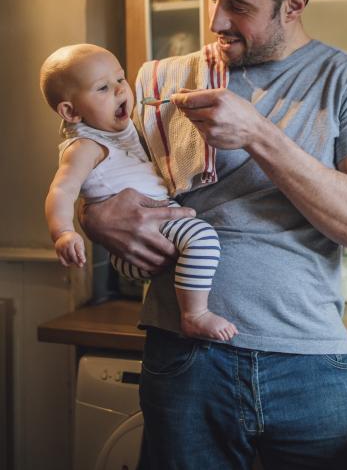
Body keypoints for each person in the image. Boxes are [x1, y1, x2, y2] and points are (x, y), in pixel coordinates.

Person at [80, 0, 347, 470]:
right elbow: (92, 166)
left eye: (240, 7)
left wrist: (258, 134)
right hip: (184, 357)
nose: (216, 21)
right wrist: (93, 215)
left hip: (308, 358)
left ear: (294, 3)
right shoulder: (163, 81)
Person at [40, 44, 238, 342]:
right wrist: (63, 232)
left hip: (145, 237)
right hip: (148, 229)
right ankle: (194, 314)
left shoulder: (120, 130)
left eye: (120, 79)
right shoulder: (85, 147)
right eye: (103, 88)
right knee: (203, 238)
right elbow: (62, 189)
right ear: (71, 111)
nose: (120, 90)